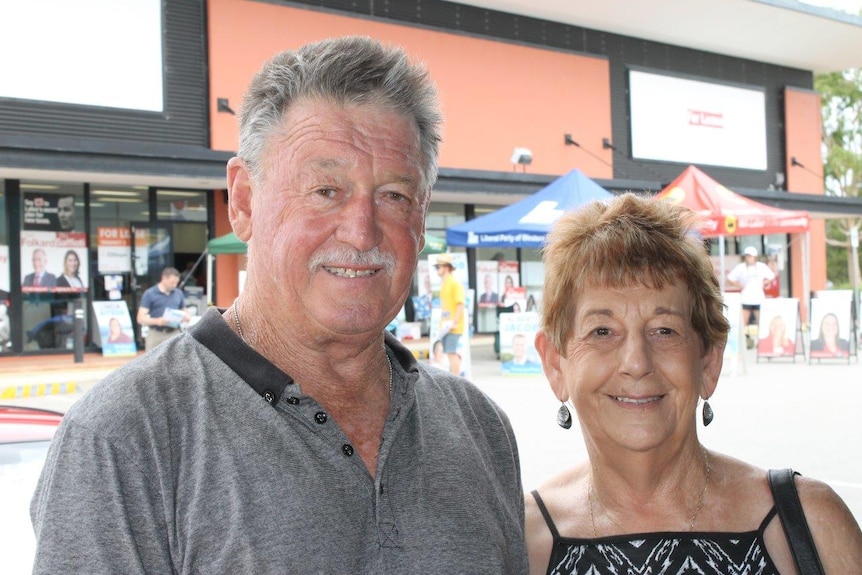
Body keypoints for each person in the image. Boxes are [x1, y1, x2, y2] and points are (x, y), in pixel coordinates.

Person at [31, 36, 527, 574]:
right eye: (325, 190)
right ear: (243, 201)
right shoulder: (125, 438)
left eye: (394, 196)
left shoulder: (480, 427)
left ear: (423, 216)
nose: (362, 233)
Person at [526, 193, 862, 574]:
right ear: (555, 363)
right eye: (602, 331)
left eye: (664, 330)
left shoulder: (809, 526)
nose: (636, 362)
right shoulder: (518, 542)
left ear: (709, 361)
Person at [135, 266, 191, 351]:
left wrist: (186, 317)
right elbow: (140, 318)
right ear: (164, 278)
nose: (174, 285)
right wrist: (157, 321)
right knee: (151, 361)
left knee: (176, 361)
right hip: (156, 333)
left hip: (174, 332)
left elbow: (184, 311)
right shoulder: (150, 294)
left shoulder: (178, 293)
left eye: (176, 283)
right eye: (172, 283)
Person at [726, 246, 775, 334]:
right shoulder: (740, 267)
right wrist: (738, 285)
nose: (749, 258)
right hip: (746, 297)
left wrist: (766, 282)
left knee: (760, 320)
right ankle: (744, 340)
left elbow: (771, 276)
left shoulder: (761, 266)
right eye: (747, 256)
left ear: (755, 257)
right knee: (744, 321)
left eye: (750, 256)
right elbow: (730, 278)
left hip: (759, 297)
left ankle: (759, 340)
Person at [436, 252, 466, 376]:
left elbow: (460, 304)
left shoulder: (454, 284)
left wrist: (455, 321)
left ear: (447, 267)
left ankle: (457, 379)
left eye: (439, 267)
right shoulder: (445, 284)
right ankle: (455, 377)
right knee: (449, 353)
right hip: (447, 326)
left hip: (452, 326)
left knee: (451, 353)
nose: (438, 269)